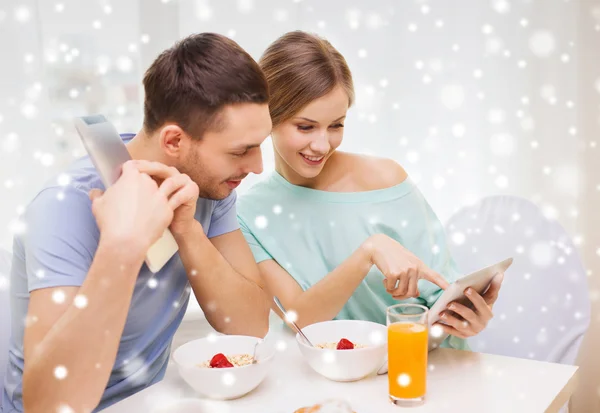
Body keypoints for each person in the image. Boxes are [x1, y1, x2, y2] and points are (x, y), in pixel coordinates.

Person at [3, 33, 273, 413]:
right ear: (174, 141)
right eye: (241, 151)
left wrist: (188, 231)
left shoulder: (212, 188)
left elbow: (250, 327)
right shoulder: (62, 208)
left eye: (259, 145)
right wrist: (122, 248)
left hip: (147, 402)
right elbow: (48, 405)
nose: (257, 166)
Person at [237, 31, 504, 350]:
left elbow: (441, 292)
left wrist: (466, 317)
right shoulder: (248, 216)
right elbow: (302, 321)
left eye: (336, 125)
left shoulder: (386, 179)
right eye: (305, 126)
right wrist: (368, 251)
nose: (322, 145)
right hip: (338, 383)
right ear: (267, 116)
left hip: (426, 371)